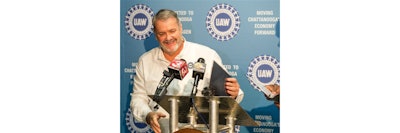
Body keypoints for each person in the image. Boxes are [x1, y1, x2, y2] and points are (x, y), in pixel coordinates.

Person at [130, 9, 244, 133]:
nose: (168, 38)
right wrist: (147, 115)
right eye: (162, 33)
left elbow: (230, 96)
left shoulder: (207, 55)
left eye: (172, 31)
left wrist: (233, 93)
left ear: (180, 28)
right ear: (155, 34)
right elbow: (138, 98)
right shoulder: (145, 61)